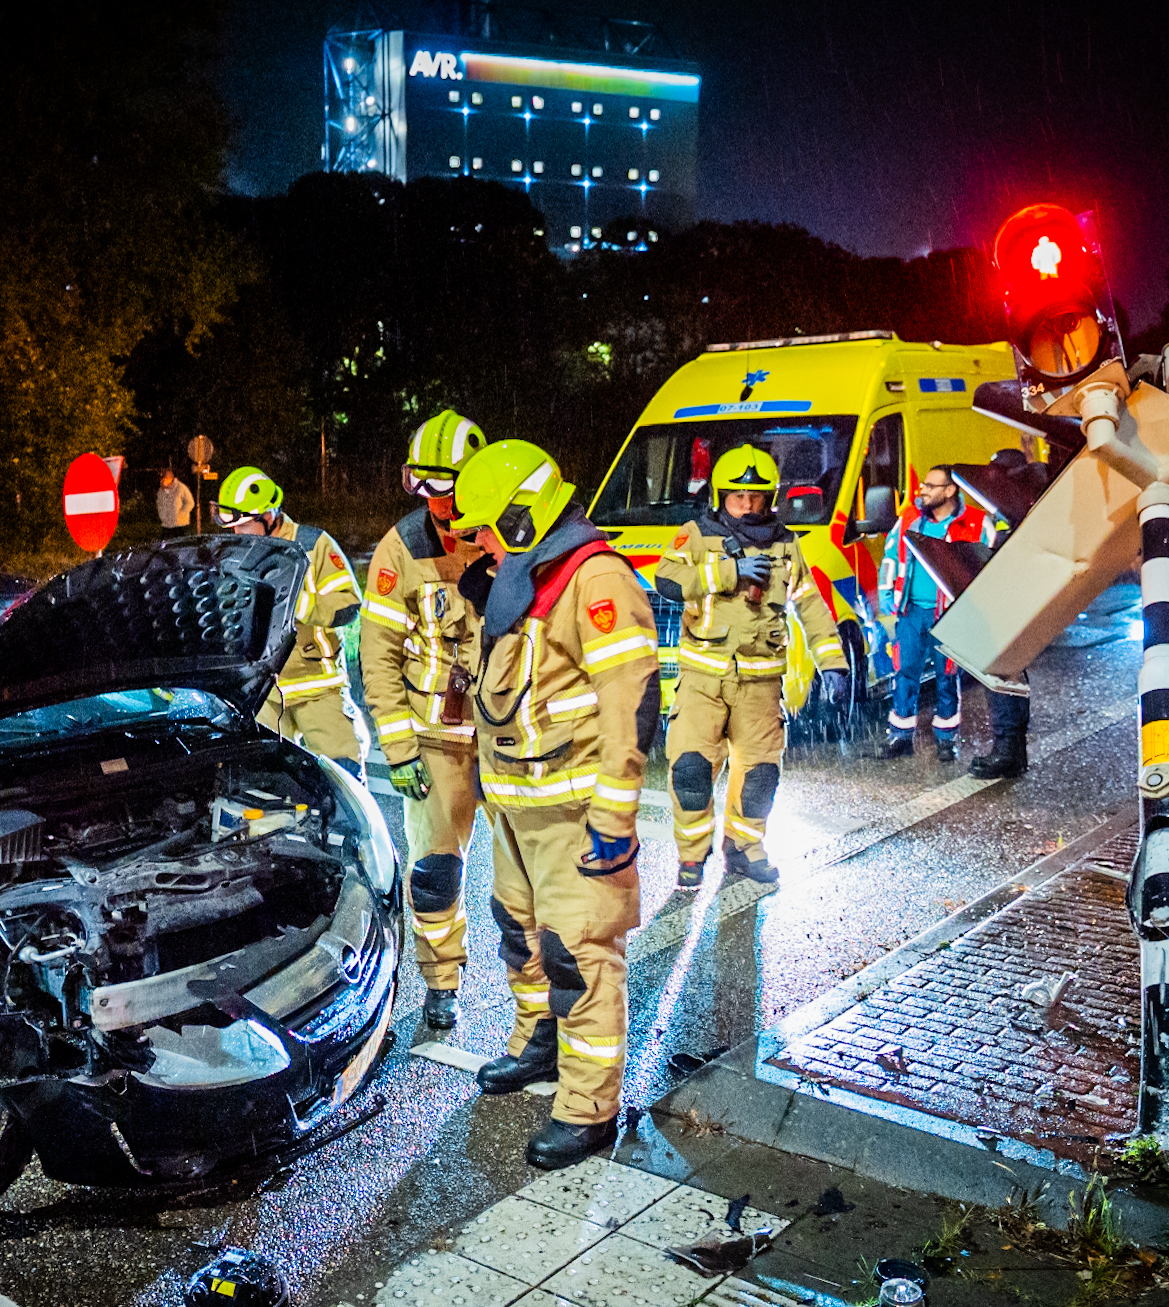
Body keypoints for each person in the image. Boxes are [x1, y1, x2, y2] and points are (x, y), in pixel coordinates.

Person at [448, 439, 658, 1170]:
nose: (475, 539)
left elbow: (628, 706)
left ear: (520, 514)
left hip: (572, 816)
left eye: (483, 525)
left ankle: (589, 1108)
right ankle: (537, 1045)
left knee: (581, 957)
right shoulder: (525, 576)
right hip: (516, 808)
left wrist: (613, 817)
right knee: (522, 938)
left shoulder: (593, 580)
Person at [651, 445, 847, 887]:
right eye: (739, 497)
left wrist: (832, 662)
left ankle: (744, 850)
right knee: (691, 772)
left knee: (759, 778)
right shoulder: (696, 535)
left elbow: (810, 605)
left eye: (757, 497)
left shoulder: (786, 544)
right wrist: (727, 572)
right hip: (703, 681)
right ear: (720, 495)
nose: (748, 505)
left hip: (761, 685)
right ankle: (691, 857)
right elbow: (668, 580)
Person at [361, 410, 487, 1031]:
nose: (436, 504)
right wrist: (400, 747)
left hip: (508, 735)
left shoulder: (506, 537)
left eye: (449, 489)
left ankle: (543, 1010)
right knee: (435, 873)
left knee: (537, 881)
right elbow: (378, 654)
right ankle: (442, 983)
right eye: (425, 488)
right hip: (435, 738)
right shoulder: (400, 548)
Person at [213, 467, 365, 774]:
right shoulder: (235, 554)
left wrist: (298, 602)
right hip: (263, 690)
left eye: (244, 526)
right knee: (261, 782)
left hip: (319, 687)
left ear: (269, 517)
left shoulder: (313, 544)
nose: (237, 535)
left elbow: (347, 605)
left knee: (341, 777)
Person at [878, 464, 987, 762]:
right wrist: (887, 593)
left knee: (947, 677)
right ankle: (900, 735)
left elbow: (988, 567)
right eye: (924, 484)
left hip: (950, 615)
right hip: (912, 612)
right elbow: (890, 557)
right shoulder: (909, 520)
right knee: (904, 673)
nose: (922, 490)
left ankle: (946, 739)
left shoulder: (976, 524)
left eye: (931, 485)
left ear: (950, 491)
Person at [968, 449, 1051, 779]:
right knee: (1012, 674)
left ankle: (1007, 751)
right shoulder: (1027, 506)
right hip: (1016, 598)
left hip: (1009, 601)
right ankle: (1014, 752)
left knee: (1002, 674)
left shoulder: (1018, 510)